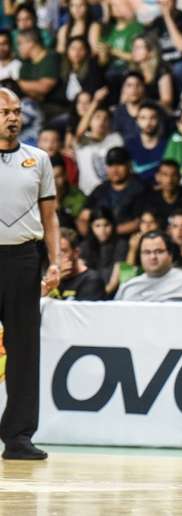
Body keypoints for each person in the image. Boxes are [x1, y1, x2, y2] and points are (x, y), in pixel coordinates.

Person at [0, 88, 59, 460]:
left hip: (23, 258)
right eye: (5, 111)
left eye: (17, 111)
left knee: (24, 348)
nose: (12, 118)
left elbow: (50, 217)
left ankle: (18, 436)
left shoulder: (38, 159)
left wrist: (54, 262)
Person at [115, 230, 182, 301]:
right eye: (147, 252)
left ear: (170, 255)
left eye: (159, 251)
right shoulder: (128, 287)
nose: (153, 257)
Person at [80, 147, 146, 239]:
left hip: (127, 240)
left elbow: (139, 222)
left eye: (119, 164)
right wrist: (91, 236)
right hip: (99, 240)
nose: (115, 170)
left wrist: (109, 232)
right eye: (110, 165)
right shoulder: (100, 190)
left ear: (129, 165)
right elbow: (83, 218)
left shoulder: (140, 189)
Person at [141, 160, 182, 235]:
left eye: (173, 175)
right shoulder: (150, 197)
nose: (169, 180)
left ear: (180, 177)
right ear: (157, 177)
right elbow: (147, 225)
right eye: (165, 175)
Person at [46, 228, 105, 300]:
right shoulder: (48, 278)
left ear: (76, 253)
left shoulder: (92, 280)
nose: (56, 257)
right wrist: (52, 283)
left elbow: (80, 310)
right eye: (52, 252)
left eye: (63, 251)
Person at [124, 102, 168, 185]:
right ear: (137, 121)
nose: (148, 122)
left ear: (159, 120)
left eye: (153, 118)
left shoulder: (167, 145)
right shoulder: (129, 145)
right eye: (143, 118)